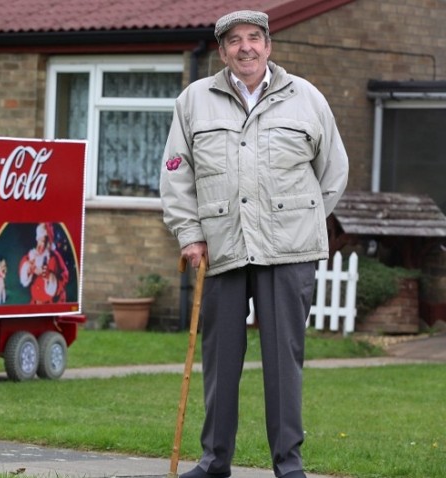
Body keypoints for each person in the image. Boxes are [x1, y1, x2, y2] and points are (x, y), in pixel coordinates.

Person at [159, 10, 348, 478]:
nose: (246, 47)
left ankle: (289, 465)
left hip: (289, 253)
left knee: (284, 362)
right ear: (222, 52)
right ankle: (214, 461)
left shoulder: (306, 98)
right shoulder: (194, 101)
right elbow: (177, 176)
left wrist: (300, 222)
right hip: (221, 249)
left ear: (269, 46)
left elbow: (333, 171)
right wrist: (190, 234)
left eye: (254, 39)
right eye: (235, 41)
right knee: (221, 364)